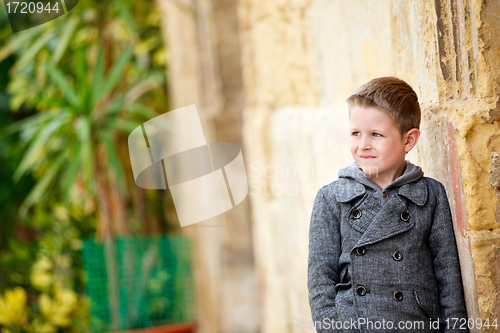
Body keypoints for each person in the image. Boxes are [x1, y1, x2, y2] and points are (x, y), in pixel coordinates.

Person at [307, 77, 469, 332]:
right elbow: (321, 284)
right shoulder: (331, 198)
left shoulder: (430, 194)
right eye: (355, 133)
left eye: (376, 135)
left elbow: (448, 278)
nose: (363, 145)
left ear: (408, 140)